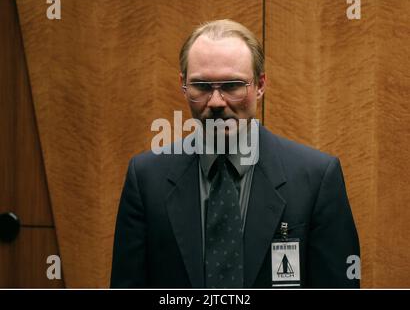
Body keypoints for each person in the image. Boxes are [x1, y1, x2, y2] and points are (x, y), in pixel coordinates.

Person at [110, 19, 360, 288]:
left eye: (232, 86)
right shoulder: (147, 179)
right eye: (201, 86)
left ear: (260, 85)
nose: (216, 102)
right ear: (183, 85)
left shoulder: (316, 179)